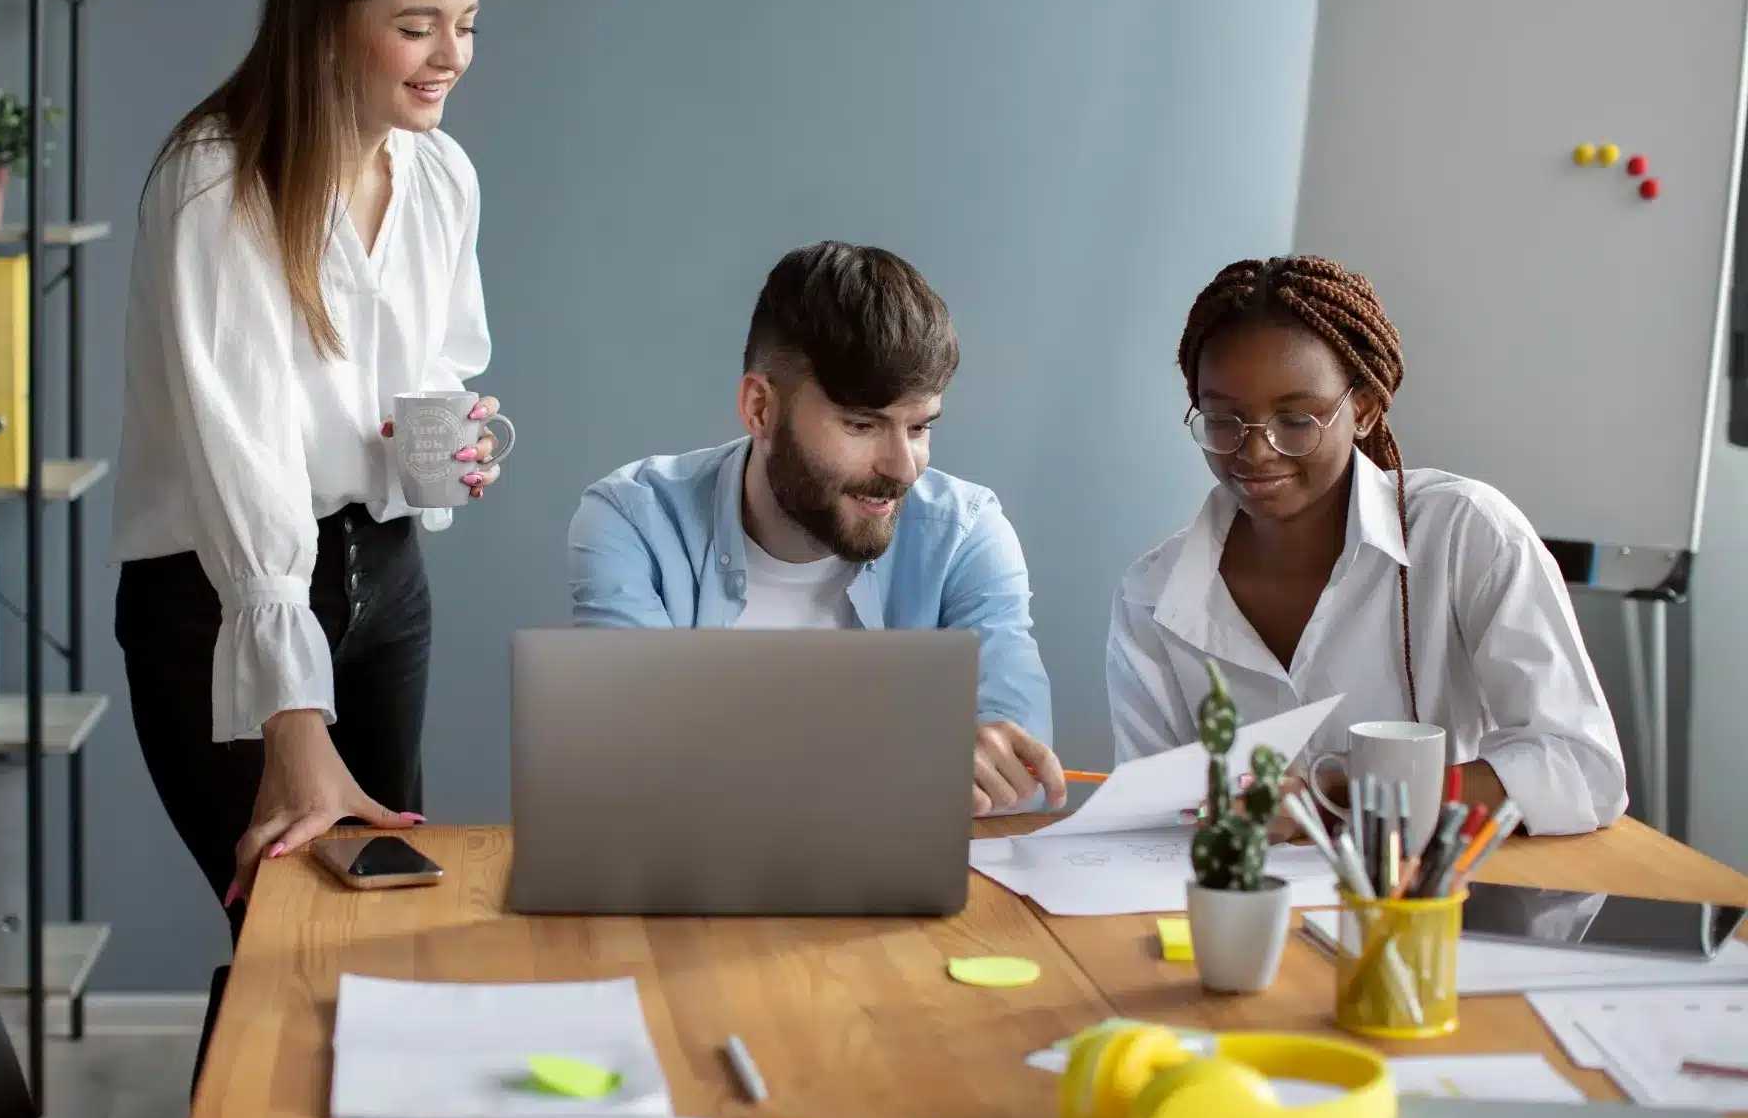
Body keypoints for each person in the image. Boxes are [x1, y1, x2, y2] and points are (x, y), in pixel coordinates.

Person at [110, 0, 510, 930]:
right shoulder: (215, 182)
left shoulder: (440, 176)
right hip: (223, 601)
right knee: (287, 929)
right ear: (327, 22)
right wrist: (290, 718)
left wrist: (447, 447)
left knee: (388, 922)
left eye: (465, 25)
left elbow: (431, 371)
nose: (450, 58)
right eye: (417, 27)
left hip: (384, 584)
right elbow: (239, 454)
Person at [1104, 255, 1627, 836]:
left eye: (1296, 419)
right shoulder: (1151, 596)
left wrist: (1337, 791)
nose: (1255, 453)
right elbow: (1151, 820)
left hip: (1431, 911)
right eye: (1224, 419)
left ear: (1365, 408)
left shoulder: (1464, 534)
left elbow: (1584, 768)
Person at [569, 241, 1067, 816]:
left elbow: (1019, 772)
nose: (902, 469)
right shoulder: (633, 522)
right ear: (760, 408)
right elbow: (638, 765)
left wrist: (998, 759)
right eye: (862, 425)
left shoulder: (965, 533)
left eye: (919, 428)